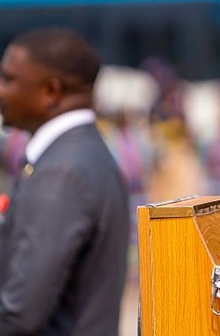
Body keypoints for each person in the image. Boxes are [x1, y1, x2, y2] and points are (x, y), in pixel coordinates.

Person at [0, 27, 130, 336]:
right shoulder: (80, 154)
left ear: (51, 91)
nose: (1, 91)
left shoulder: (62, 172)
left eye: (8, 79)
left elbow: (20, 313)